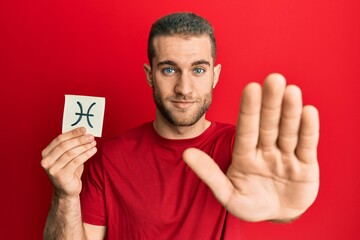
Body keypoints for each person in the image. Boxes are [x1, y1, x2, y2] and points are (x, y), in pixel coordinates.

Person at [41, 12, 320, 239]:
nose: (184, 88)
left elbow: (273, 198)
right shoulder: (111, 158)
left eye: (198, 70)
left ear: (215, 75)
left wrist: (286, 208)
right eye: (169, 69)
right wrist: (65, 196)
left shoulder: (241, 149)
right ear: (150, 75)